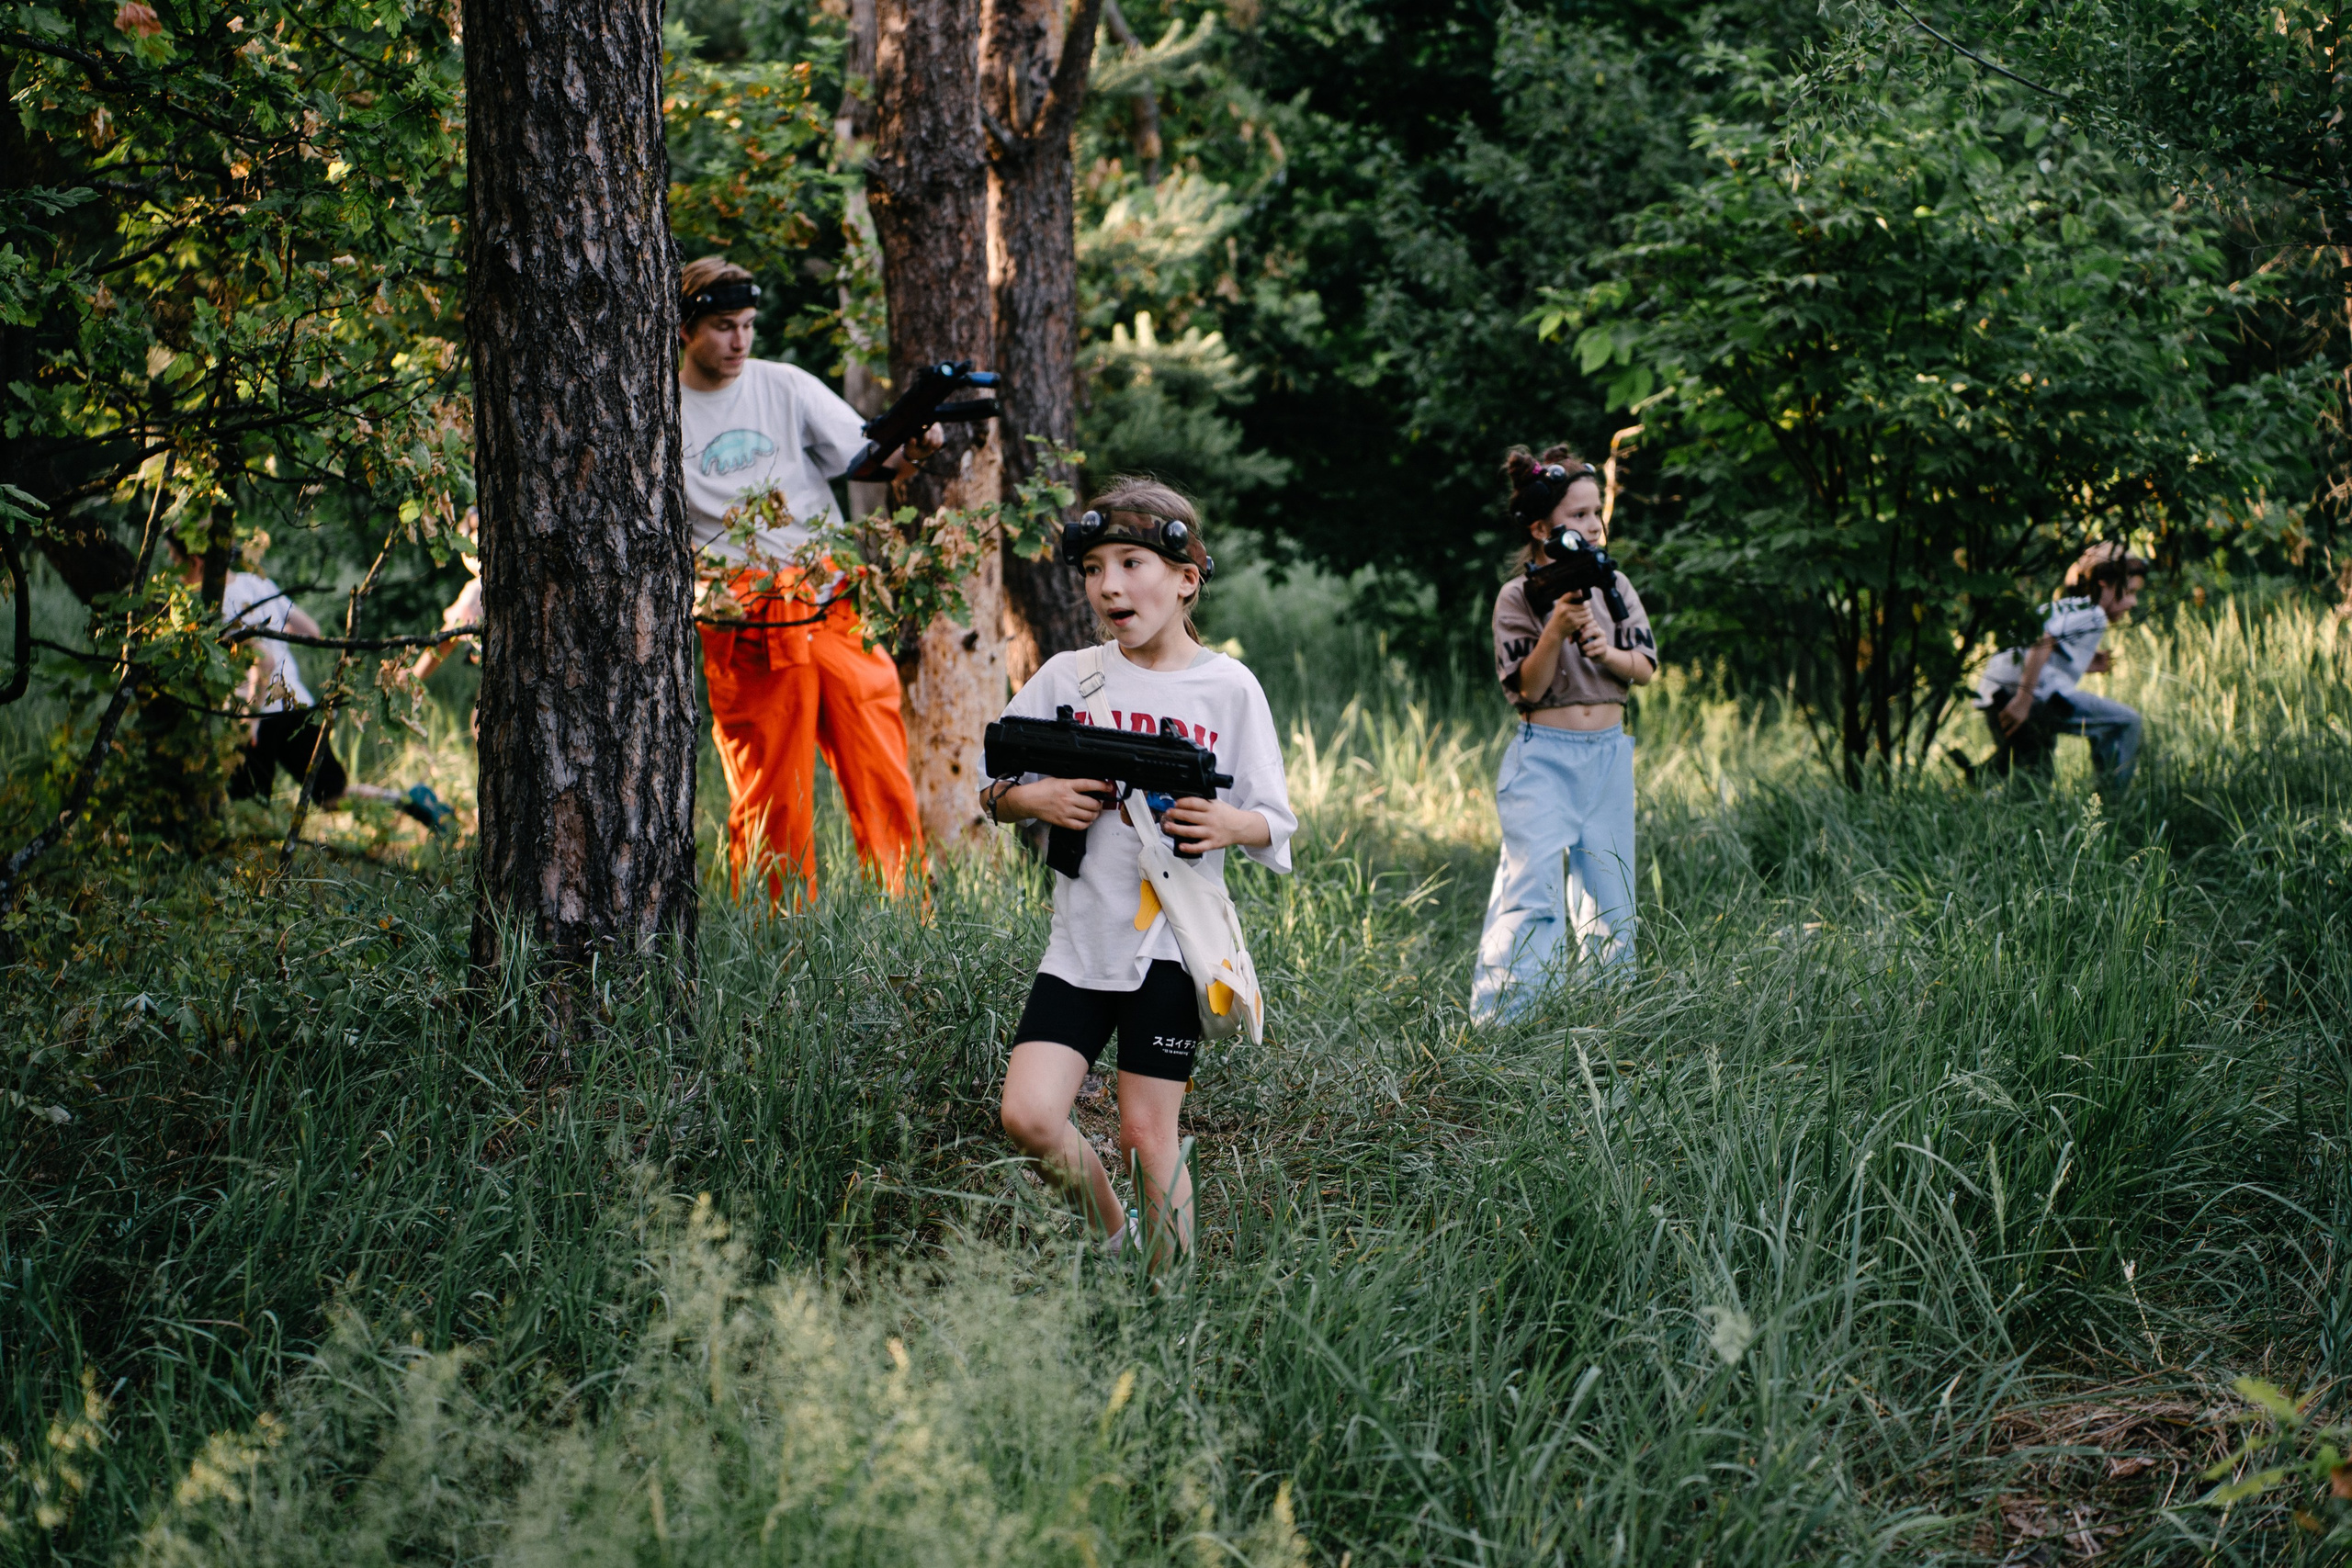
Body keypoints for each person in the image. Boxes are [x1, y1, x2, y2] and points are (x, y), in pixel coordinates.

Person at [978, 480, 1294, 1267]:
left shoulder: (1228, 688)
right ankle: (1115, 1239)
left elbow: (1273, 819)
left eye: (1131, 563)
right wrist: (1036, 797)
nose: (1109, 585)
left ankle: (1173, 1306)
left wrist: (1229, 823)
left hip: (1169, 949)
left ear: (1187, 577)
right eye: (1092, 568)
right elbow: (992, 786)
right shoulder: (1069, 676)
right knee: (1030, 1115)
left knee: (1148, 1135)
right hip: (1080, 946)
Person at [678, 254, 931, 905]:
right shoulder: (653, 410)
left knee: (882, 774)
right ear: (684, 329)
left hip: (832, 605)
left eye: (749, 325)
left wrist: (916, 448)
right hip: (745, 628)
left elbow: (870, 458)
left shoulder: (783, 385)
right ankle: (777, 942)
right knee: (770, 796)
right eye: (723, 327)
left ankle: (911, 921)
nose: (740, 341)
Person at [1472, 446, 1657, 1022]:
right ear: (1540, 528)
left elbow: (1646, 666)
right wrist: (1555, 629)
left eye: (1595, 512)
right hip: (1544, 759)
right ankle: (1504, 1019)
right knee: (1531, 891)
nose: (1592, 524)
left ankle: (1611, 1016)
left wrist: (1607, 652)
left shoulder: (1615, 585)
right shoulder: (1519, 596)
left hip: (1607, 756)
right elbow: (1526, 688)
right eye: (1576, 516)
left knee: (1611, 892)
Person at [170, 541, 454, 831]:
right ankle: (409, 801)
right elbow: (310, 630)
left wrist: (250, 719)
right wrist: (273, 634)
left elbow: (264, 663)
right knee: (332, 796)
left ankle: (250, 867)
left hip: (258, 715)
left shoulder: (219, 603)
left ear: (195, 561)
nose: (173, 568)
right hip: (297, 705)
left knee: (247, 808)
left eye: (173, 557)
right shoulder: (257, 582)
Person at [1973, 546, 2150, 789]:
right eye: (2129, 592)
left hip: (1995, 691)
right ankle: (2112, 801)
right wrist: (2023, 699)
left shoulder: (2069, 605)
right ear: (2104, 585)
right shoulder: (2095, 614)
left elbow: (2042, 646)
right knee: (2127, 722)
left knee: (2031, 778)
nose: (2133, 602)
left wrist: (2087, 661)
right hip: (2023, 698)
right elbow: (2043, 640)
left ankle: (1974, 785)